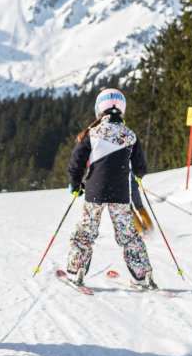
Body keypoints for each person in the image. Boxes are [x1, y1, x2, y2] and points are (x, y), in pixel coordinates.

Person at [65, 87, 158, 290]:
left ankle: (76, 270)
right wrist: (137, 176)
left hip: (94, 193)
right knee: (129, 236)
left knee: (85, 233)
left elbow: (77, 162)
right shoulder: (130, 135)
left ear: (99, 110)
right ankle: (142, 275)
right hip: (121, 194)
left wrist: (74, 184)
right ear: (122, 109)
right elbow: (140, 167)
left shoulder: (92, 133)